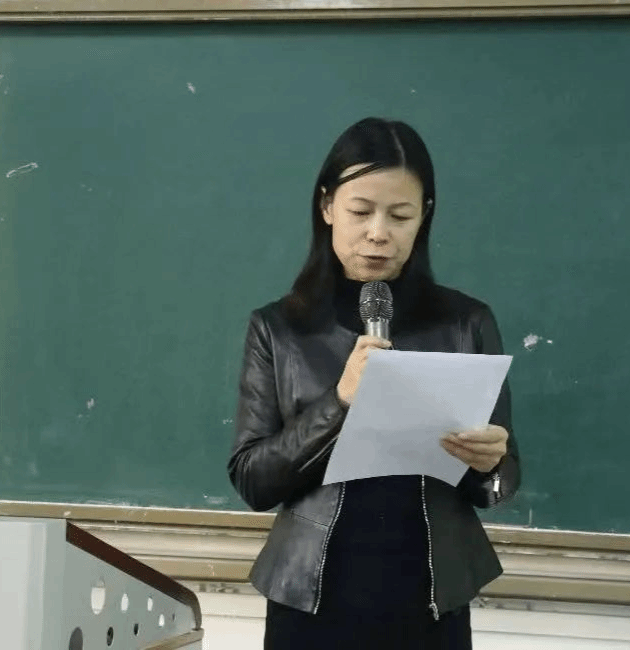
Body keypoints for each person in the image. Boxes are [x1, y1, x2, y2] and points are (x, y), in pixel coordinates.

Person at [227, 117, 520, 650]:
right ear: (327, 206)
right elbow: (253, 480)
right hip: (309, 599)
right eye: (361, 211)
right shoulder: (279, 328)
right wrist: (340, 400)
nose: (379, 232)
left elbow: (498, 482)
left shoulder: (466, 323)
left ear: (424, 215)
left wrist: (491, 464)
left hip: (430, 599)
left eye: (400, 215)